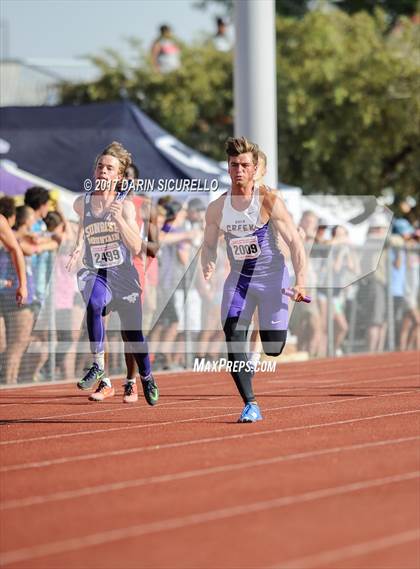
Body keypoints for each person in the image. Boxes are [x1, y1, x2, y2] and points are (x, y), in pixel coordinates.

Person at [201, 136, 307, 423]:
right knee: (233, 340)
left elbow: (296, 242)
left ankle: (262, 346)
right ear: (228, 167)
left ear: (255, 167)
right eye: (234, 164)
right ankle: (251, 403)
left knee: (274, 347)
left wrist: (301, 281)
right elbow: (209, 243)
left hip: (274, 281)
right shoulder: (217, 208)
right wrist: (207, 261)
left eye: (244, 165)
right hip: (238, 282)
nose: (239, 170)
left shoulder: (269, 200)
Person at [66, 141, 159, 404]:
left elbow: (137, 246)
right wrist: (77, 247)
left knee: (134, 334)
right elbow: (83, 228)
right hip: (98, 271)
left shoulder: (126, 207)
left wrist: (118, 219)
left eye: (109, 168)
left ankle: (147, 377)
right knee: (94, 305)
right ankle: (98, 366)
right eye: (100, 166)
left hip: (124, 276)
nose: (103, 171)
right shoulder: (81, 203)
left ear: (118, 176)